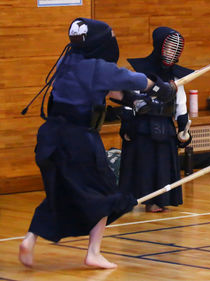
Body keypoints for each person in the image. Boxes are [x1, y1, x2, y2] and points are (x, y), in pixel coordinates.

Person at [18, 18, 176, 269]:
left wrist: (133, 100)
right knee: (106, 193)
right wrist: (161, 88)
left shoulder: (67, 61)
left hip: (49, 138)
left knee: (60, 191)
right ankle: (93, 252)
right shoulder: (100, 68)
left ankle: (29, 239)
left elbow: (109, 90)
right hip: (78, 141)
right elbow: (136, 80)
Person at [118, 27, 193, 213]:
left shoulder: (177, 79)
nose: (171, 53)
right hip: (141, 128)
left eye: (175, 50)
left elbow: (181, 107)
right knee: (143, 165)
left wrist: (184, 129)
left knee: (162, 166)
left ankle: (158, 201)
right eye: (168, 48)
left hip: (165, 129)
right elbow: (128, 102)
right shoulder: (140, 74)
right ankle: (134, 200)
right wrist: (127, 126)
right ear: (159, 46)